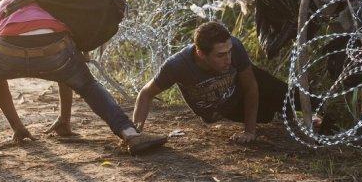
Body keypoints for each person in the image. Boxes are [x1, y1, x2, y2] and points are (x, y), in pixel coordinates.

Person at [0, 0, 167, 163]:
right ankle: (130, 134)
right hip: (56, 49)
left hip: (8, 47)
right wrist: (65, 119)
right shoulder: (51, 3)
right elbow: (67, 74)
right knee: (87, 84)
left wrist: (18, 127)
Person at [133, 21, 319, 144]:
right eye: (220, 55)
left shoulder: (235, 47)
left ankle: (320, 107)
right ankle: (295, 115)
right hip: (223, 109)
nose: (228, 58)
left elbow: (251, 87)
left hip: (240, 92)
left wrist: (249, 132)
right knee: (266, 115)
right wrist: (136, 132)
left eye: (229, 51)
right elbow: (146, 93)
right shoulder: (177, 65)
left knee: (264, 81)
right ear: (201, 54)